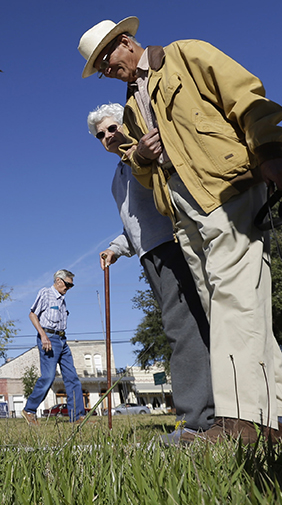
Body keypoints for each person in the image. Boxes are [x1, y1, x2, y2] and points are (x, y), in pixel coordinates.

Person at [79, 18, 282, 442]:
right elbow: (140, 168)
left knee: (232, 297)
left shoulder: (185, 54)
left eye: (106, 61)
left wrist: (269, 150)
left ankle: (240, 420)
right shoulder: (132, 107)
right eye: (99, 69)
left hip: (225, 188)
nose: (106, 72)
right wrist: (144, 155)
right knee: (227, 304)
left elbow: (245, 95)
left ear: (126, 42)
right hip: (181, 210)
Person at [88, 103, 215, 441]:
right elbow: (136, 226)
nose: (107, 137)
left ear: (127, 123)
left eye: (112, 128)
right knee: (187, 325)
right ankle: (210, 413)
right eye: (100, 135)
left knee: (183, 327)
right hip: (150, 254)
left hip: (175, 244)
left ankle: (198, 421)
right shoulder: (119, 174)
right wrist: (116, 248)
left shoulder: (153, 149)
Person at [22, 270, 87, 424]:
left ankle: (77, 417)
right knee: (48, 377)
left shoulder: (62, 300)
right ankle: (29, 410)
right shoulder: (45, 294)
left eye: (71, 285)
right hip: (49, 339)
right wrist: (43, 336)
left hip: (62, 340)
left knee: (72, 378)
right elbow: (32, 314)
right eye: (68, 284)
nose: (69, 288)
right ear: (58, 280)